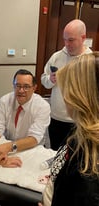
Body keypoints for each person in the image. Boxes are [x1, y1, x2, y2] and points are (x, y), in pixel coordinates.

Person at [39, 52, 99, 206]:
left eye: (67, 89)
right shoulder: (78, 133)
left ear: (81, 96)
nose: (64, 97)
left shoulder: (89, 160)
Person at [0, 69, 51, 164]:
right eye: (18, 86)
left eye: (26, 87)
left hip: (31, 149)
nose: (21, 90)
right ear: (13, 85)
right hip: (9, 147)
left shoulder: (42, 106)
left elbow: (34, 138)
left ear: (34, 88)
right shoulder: (4, 101)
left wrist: (10, 146)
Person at [41, 19, 92, 151]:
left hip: (80, 121)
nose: (66, 44)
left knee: (76, 158)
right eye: (65, 39)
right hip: (56, 118)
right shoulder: (56, 57)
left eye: (71, 40)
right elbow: (44, 80)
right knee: (55, 154)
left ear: (83, 38)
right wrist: (50, 80)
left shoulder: (91, 61)